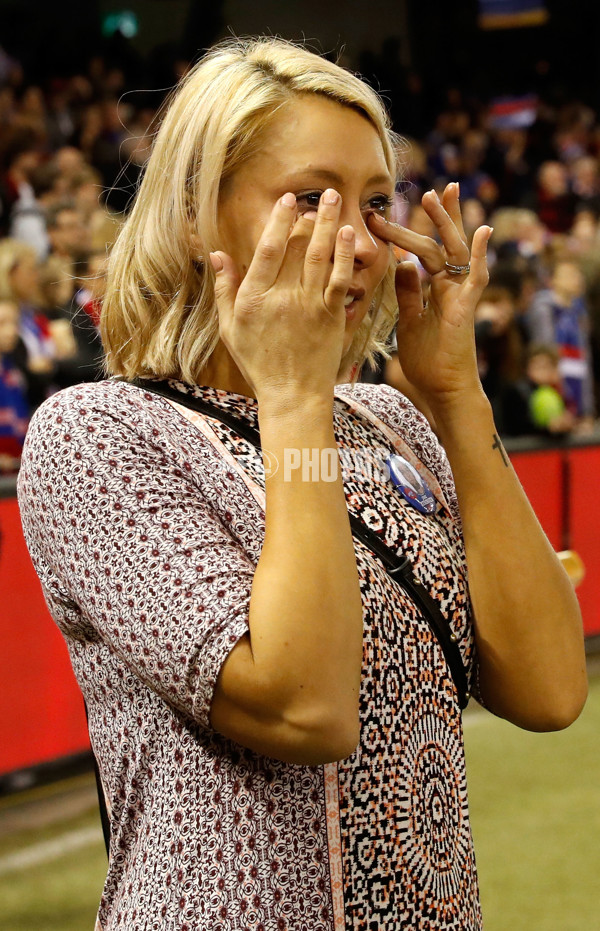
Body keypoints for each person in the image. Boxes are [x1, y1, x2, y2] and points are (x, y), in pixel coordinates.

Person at [17, 38, 587, 931]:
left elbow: (552, 689)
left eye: (374, 201)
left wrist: (454, 397)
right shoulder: (99, 433)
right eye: (313, 198)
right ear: (199, 212)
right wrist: (290, 397)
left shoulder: (391, 423)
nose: (359, 239)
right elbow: (307, 706)